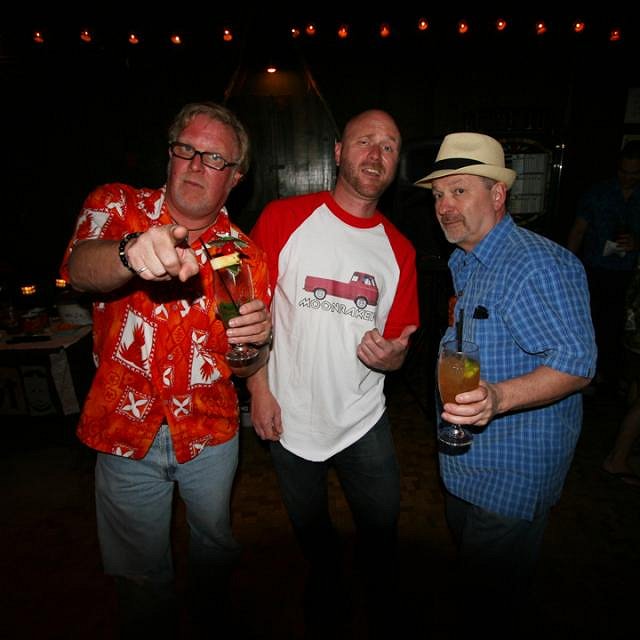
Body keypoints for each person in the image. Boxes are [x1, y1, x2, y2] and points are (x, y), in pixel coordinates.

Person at [60, 101, 272, 637]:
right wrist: (131, 253)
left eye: (215, 158)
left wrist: (257, 345)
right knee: (139, 578)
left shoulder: (246, 255)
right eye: (187, 149)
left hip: (211, 434)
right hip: (123, 430)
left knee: (215, 547)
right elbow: (79, 270)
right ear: (170, 154)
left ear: (235, 178)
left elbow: (245, 364)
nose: (197, 164)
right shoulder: (116, 205)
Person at [414, 133, 596, 636]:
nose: (444, 206)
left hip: (512, 472)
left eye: (459, 191)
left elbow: (578, 364)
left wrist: (497, 397)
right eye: (438, 195)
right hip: (466, 464)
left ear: (498, 195)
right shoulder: (467, 261)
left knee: (487, 603)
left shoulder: (536, 263)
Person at [248, 109, 419, 638]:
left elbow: (400, 344)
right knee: (309, 527)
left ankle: (381, 599)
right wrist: (257, 388)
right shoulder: (282, 218)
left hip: (363, 417)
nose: (376, 154)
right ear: (339, 152)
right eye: (365, 141)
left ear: (396, 163)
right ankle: (327, 584)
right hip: (289, 412)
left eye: (389, 146)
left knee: (382, 527)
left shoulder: (400, 249)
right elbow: (248, 314)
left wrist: (393, 359)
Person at [567, 140, 640, 394]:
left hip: (630, 274)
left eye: (634, 173)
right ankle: (592, 375)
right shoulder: (598, 193)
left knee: (623, 328)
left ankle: (620, 378)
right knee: (593, 323)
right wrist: (568, 269)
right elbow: (578, 230)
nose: (628, 177)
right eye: (624, 171)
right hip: (595, 270)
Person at [602, 266, 640, 486]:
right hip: (635, 328)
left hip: (633, 324)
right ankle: (619, 457)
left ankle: (626, 448)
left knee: (635, 385)